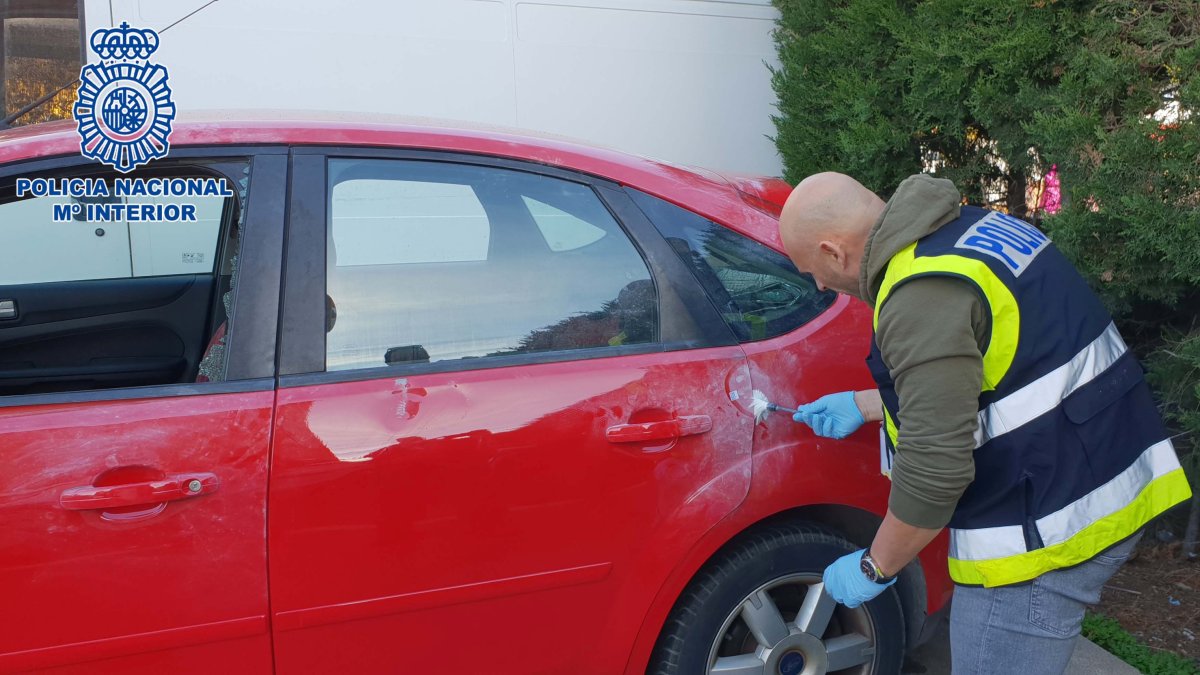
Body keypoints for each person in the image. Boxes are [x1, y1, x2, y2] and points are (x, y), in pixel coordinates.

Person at [777, 172, 1192, 674]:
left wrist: (874, 566)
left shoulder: (919, 295)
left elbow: (934, 474)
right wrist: (867, 405)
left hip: (1046, 525)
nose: (819, 284)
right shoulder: (968, 230)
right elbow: (998, 375)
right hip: (1105, 464)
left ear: (834, 250)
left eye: (812, 271)